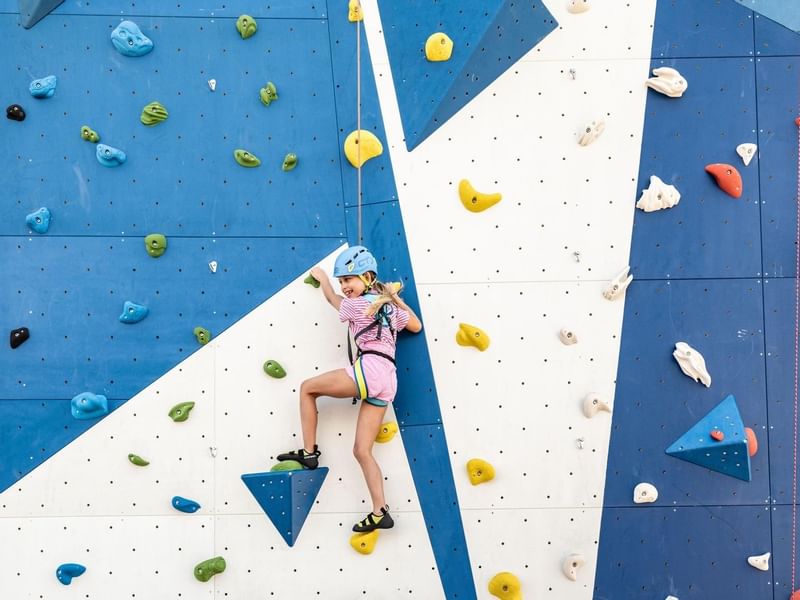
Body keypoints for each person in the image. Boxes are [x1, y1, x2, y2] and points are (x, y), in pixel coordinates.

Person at [277, 246, 422, 533]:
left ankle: (309, 453)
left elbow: (332, 300)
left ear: (367, 277)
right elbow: (416, 326)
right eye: (342, 281)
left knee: (307, 389)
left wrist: (324, 281)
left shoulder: (356, 305)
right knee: (362, 450)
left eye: (349, 280)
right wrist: (394, 299)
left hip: (368, 369)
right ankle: (380, 511)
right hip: (388, 379)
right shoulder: (389, 308)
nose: (345, 287)